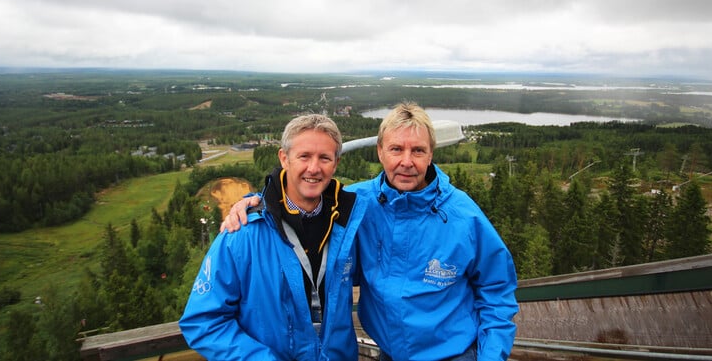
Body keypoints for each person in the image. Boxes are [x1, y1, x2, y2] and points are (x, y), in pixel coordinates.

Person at [225, 102, 519, 361]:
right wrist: (254, 203)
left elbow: (497, 290)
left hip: (453, 355)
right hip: (389, 352)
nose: (407, 161)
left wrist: (491, 356)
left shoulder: (462, 216)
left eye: (418, 150)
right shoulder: (355, 204)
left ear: (431, 155)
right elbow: (300, 199)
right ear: (380, 152)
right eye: (396, 149)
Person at [180, 114, 366, 360]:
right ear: (284, 158)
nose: (314, 168)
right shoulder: (242, 234)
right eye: (304, 156)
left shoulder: (350, 223)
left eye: (324, 158)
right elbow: (203, 321)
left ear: (336, 163)